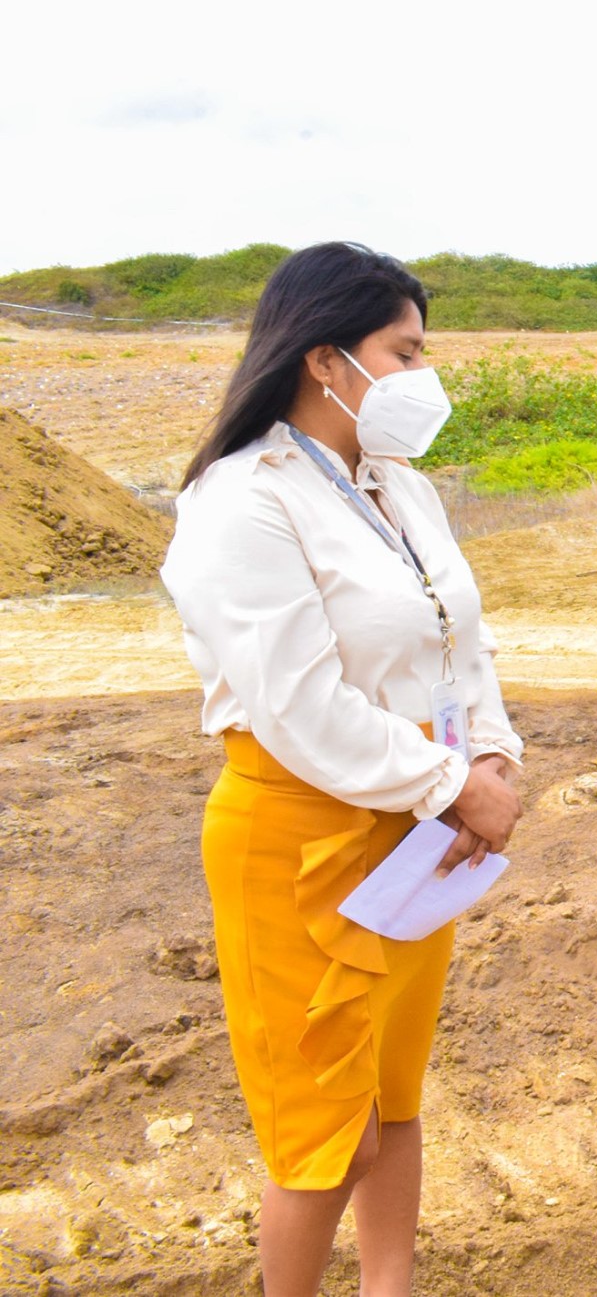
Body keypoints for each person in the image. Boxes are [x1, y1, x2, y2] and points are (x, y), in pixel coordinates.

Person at [161, 242, 525, 1297]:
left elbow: (459, 641)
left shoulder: (400, 488)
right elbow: (296, 705)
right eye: (403, 353)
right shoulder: (243, 500)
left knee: (391, 1096)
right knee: (326, 1127)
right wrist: (452, 785)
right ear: (326, 359)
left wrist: (490, 750)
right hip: (299, 835)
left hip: (415, 829)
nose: (423, 376)